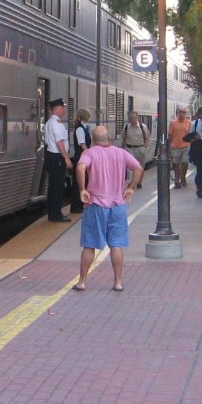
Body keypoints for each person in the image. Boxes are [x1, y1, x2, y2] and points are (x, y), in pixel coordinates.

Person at [73, 125, 143, 292]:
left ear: (93, 140)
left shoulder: (89, 153)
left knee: (89, 245)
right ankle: (118, 282)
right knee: (116, 245)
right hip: (117, 205)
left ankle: (82, 282)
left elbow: (80, 168)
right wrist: (131, 187)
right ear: (109, 138)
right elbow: (138, 168)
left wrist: (82, 189)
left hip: (95, 205)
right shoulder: (120, 153)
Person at [42, 98, 73, 222]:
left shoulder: (50, 122)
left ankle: (53, 213)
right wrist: (66, 158)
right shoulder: (57, 124)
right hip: (57, 157)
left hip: (51, 156)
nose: (64, 110)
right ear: (58, 108)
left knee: (53, 186)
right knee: (58, 187)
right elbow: (59, 142)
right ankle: (56, 215)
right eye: (63, 107)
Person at [69, 108, 93, 214]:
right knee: (79, 181)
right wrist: (90, 156)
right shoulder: (80, 129)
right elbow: (82, 144)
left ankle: (80, 204)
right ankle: (76, 206)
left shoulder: (83, 128)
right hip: (80, 157)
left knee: (83, 180)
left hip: (82, 156)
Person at [120, 110, 149, 186]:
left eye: (134, 118)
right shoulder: (126, 127)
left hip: (140, 148)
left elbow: (147, 138)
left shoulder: (143, 127)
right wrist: (122, 149)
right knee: (129, 166)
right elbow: (124, 138)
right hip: (129, 148)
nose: (132, 120)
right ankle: (130, 182)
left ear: (137, 118)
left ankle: (139, 181)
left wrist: (144, 148)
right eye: (130, 118)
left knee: (140, 166)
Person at [167, 107, 192, 188]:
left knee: (185, 163)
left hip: (186, 146)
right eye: (180, 112)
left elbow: (190, 134)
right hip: (175, 146)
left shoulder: (188, 122)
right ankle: (177, 180)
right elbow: (170, 135)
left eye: (183, 112)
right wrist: (169, 147)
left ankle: (183, 177)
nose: (182, 114)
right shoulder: (173, 123)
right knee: (176, 165)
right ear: (177, 113)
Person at [184, 128, 202, 198]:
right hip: (198, 156)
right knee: (201, 172)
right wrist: (192, 139)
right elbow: (185, 138)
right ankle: (200, 188)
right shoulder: (195, 125)